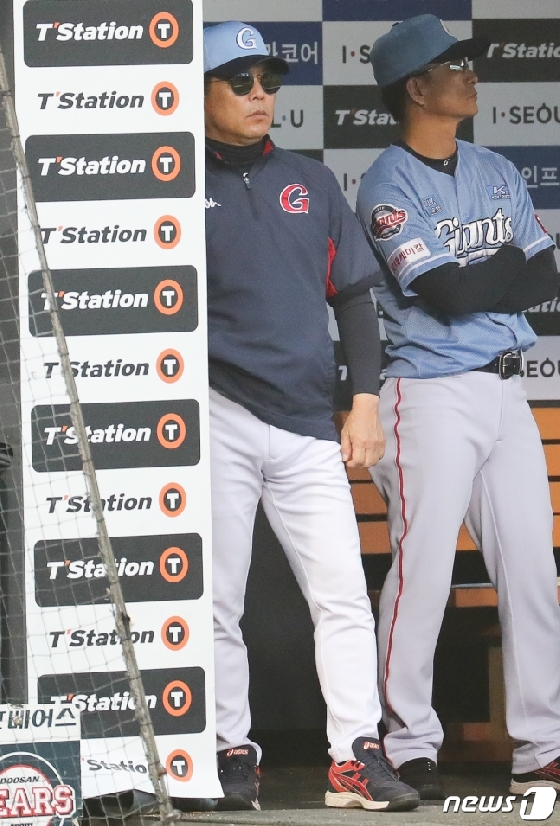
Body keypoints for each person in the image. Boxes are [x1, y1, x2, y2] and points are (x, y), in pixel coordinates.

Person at [203, 20, 419, 814]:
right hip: (215, 411)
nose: (259, 94)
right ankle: (227, 752)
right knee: (216, 602)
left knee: (342, 596)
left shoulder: (312, 180)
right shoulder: (168, 181)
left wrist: (363, 401)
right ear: (199, 91)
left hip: (304, 419)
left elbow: (355, 297)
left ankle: (356, 757)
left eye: (268, 80)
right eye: (240, 81)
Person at [356, 13, 560, 801]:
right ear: (416, 87)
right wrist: (502, 265)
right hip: (429, 395)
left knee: (532, 571)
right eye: (453, 65)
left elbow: (545, 276)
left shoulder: (495, 167)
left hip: (506, 390)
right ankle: (408, 743)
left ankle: (541, 746)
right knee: (425, 575)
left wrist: (492, 275)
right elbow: (443, 292)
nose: (470, 74)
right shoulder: (387, 182)